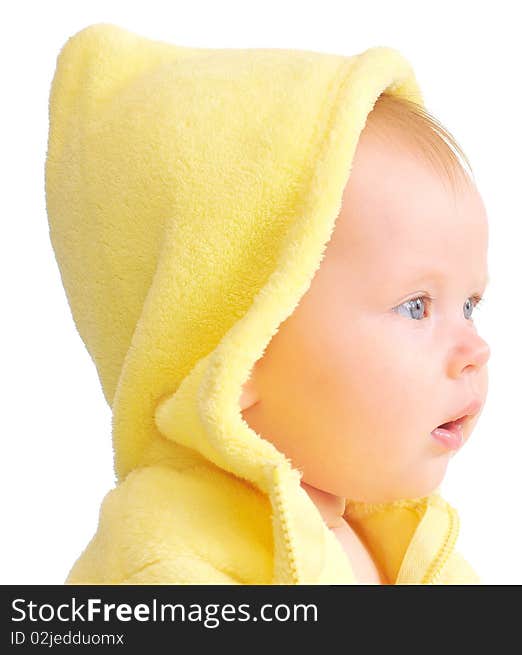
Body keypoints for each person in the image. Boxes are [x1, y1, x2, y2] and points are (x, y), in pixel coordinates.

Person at [45, 22, 490, 584]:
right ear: (242, 347)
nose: (475, 349)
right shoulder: (165, 565)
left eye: (471, 304)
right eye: (416, 306)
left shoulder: (407, 547)